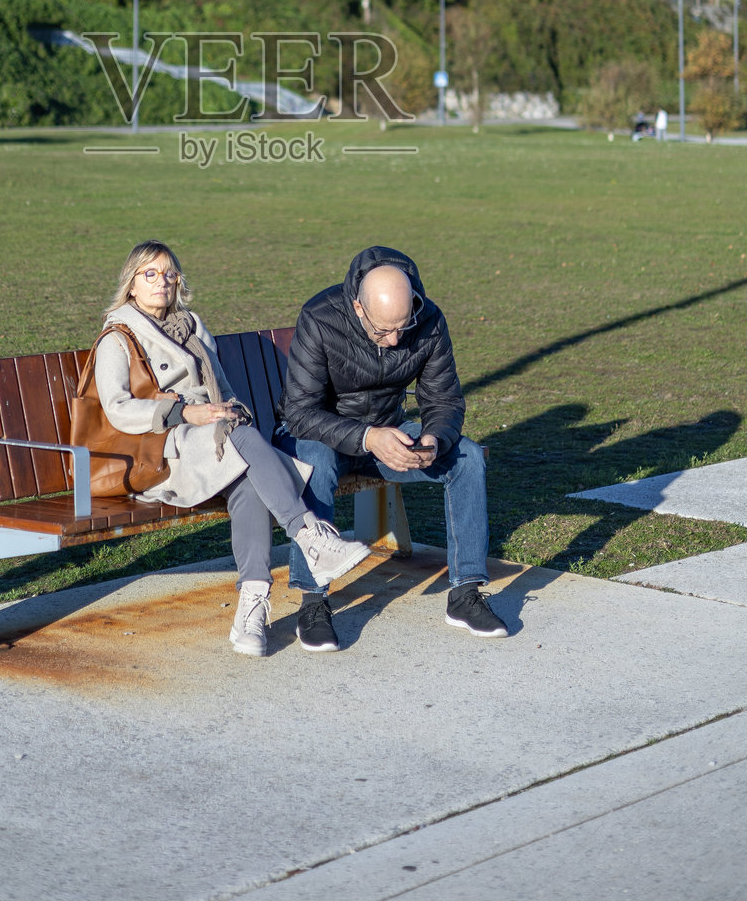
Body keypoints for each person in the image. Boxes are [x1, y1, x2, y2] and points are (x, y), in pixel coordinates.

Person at [93, 241, 369, 657]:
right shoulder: (117, 338)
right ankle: (309, 537)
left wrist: (228, 411)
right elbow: (117, 409)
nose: (161, 282)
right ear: (131, 283)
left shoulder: (192, 328)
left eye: (169, 274)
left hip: (209, 442)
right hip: (161, 453)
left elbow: (224, 389)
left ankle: (250, 612)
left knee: (247, 477)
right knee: (240, 442)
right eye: (150, 274)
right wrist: (186, 412)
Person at [274, 246, 507, 652]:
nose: (396, 339)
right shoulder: (320, 317)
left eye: (403, 326)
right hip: (320, 434)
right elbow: (300, 414)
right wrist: (369, 437)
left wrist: (434, 439)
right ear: (358, 308)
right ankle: (313, 603)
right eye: (384, 331)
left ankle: (465, 594)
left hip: (389, 431)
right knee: (316, 462)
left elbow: (444, 400)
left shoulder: (428, 319)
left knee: (467, 457)